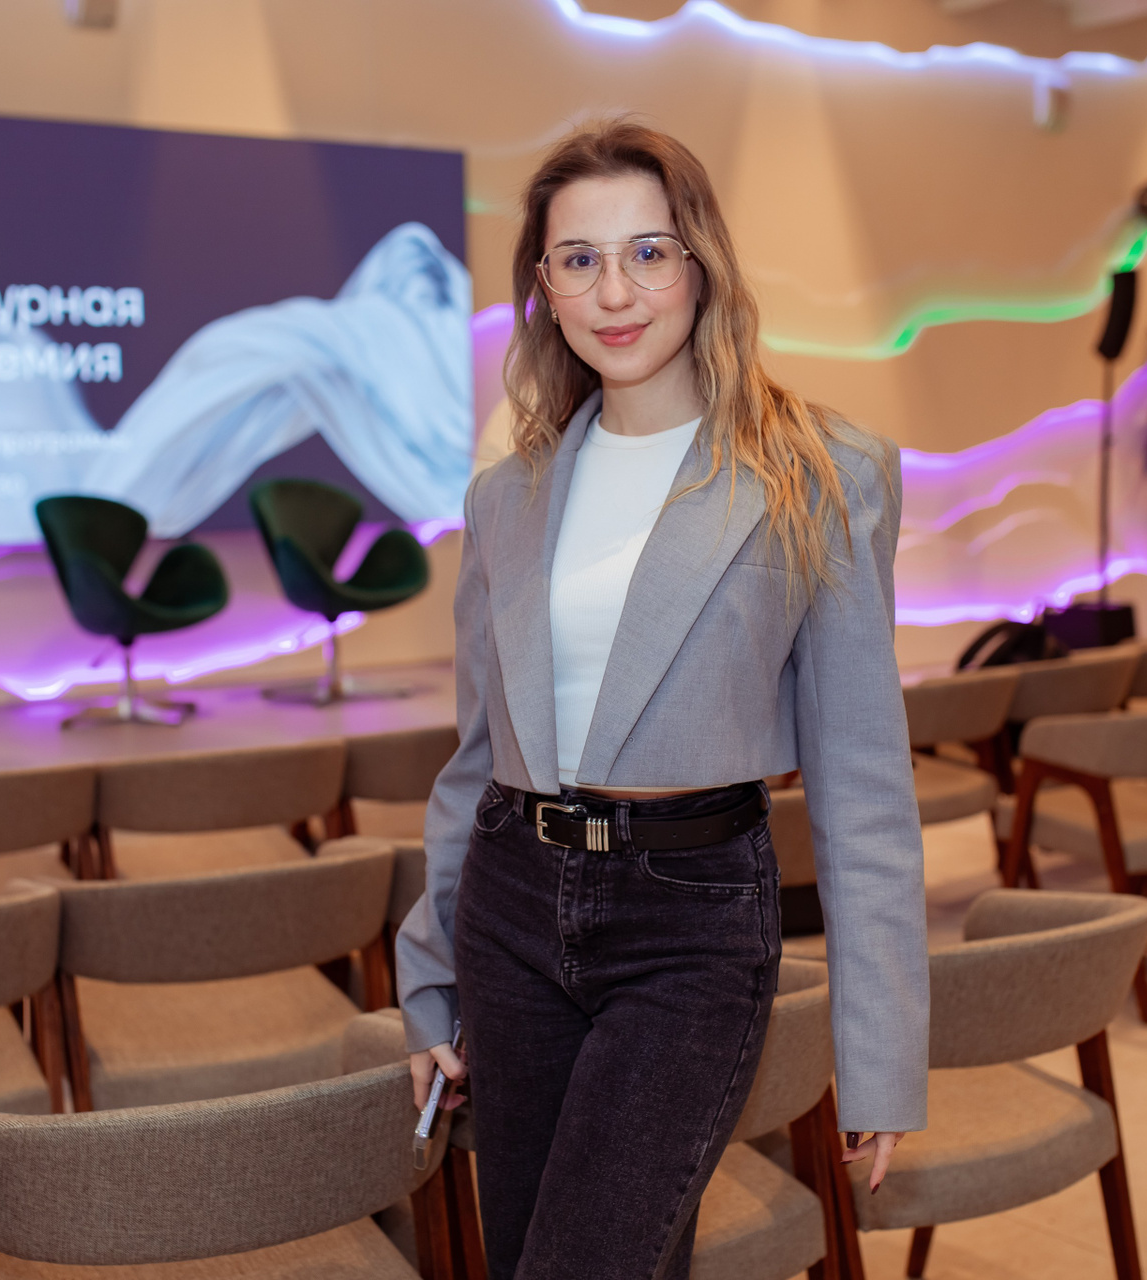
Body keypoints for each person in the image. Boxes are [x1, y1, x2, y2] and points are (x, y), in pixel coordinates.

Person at [395, 119, 929, 1280]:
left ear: (701, 262)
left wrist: (881, 1053)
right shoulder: (506, 497)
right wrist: (428, 979)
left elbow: (863, 785)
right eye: (578, 259)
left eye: (647, 252)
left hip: (691, 919)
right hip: (511, 905)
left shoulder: (820, 472)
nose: (614, 291)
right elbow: (475, 760)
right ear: (543, 287)